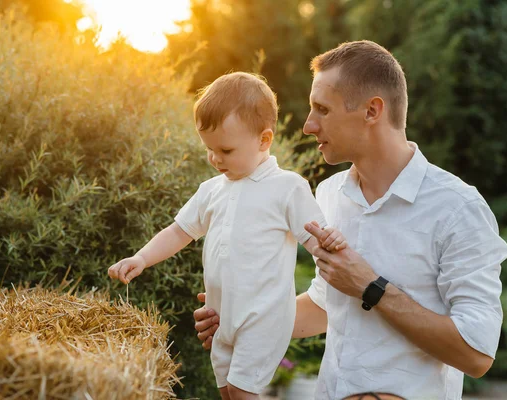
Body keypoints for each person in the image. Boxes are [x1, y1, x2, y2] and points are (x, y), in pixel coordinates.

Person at [193, 41, 507, 400]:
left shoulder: (458, 207)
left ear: (372, 111)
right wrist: (241, 316)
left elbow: (477, 354)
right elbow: (325, 307)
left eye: (322, 110)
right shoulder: (327, 195)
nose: (308, 126)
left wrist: (371, 287)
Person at [107, 72, 348, 400]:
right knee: (227, 391)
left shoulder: (287, 187)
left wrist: (330, 243)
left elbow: (315, 239)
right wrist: (141, 258)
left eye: (226, 149)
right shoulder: (211, 191)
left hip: (263, 315)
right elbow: (179, 231)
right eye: (209, 148)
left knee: (241, 389)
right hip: (221, 316)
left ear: (264, 140)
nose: (215, 158)